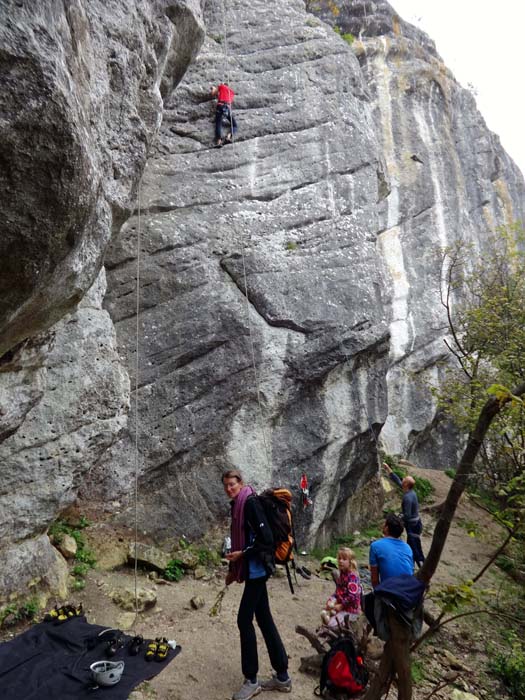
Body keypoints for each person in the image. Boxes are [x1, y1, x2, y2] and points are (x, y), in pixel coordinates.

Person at [222, 469, 292, 699]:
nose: (229, 489)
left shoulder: (249, 503)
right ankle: (282, 676)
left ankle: (251, 680)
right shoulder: (238, 505)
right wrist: (234, 570)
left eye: (232, 484)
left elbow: (267, 540)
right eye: (226, 486)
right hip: (252, 569)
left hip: (258, 570)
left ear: (240, 483)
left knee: (244, 619)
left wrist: (242, 555)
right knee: (263, 617)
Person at [382, 462, 425, 567]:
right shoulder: (409, 491)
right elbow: (397, 481)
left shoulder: (407, 498)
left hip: (413, 526)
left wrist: (396, 519)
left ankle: (420, 566)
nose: (402, 480)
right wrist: (388, 469)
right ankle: (415, 565)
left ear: (406, 484)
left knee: (414, 547)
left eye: (404, 479)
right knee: (413, 545)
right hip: (415, 523)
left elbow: (407, 515)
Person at [320, 547, 362, 628]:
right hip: (342, 606)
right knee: (326, 611)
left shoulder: (352, 576)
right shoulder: (342, 574)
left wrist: (341, 605)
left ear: (350, 562)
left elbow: (352, 596)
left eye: (344, 559)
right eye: (339, 558)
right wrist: (331, 600)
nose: (340, 561)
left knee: (331, 625)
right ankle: (332, 617)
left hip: (351, 610)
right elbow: (338, 591)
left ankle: (331, 622)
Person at [211, 83, 238, 147]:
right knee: (234, 125)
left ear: (224, 84)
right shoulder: (232, 92)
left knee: (218, 124)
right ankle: (228, 137)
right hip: (227, 108)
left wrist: (213, 89)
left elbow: (213, 94)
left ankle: (219, 142)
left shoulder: (221, 86)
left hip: (220, 106)